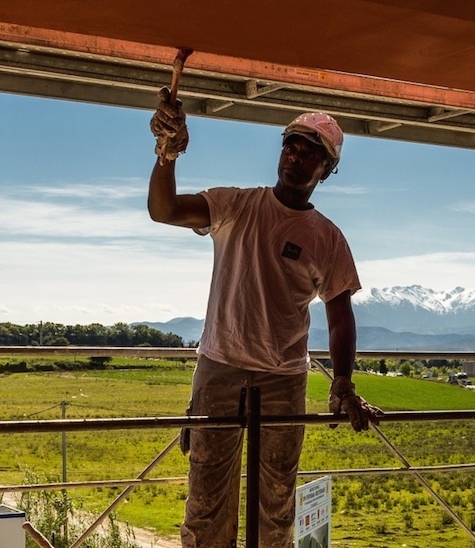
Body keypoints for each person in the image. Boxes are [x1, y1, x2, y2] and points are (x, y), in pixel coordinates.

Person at [148, 89, 382, 548]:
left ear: (327, 169)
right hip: (220, 368)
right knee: (206, 499)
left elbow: (340, 317)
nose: (295, 157)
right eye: (290, 146)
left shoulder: (327, 239)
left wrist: (343, 385)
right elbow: (165, 209)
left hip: (283, 380)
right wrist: (166, 153)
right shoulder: (235, 206)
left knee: (275, 502)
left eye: (309, 152)